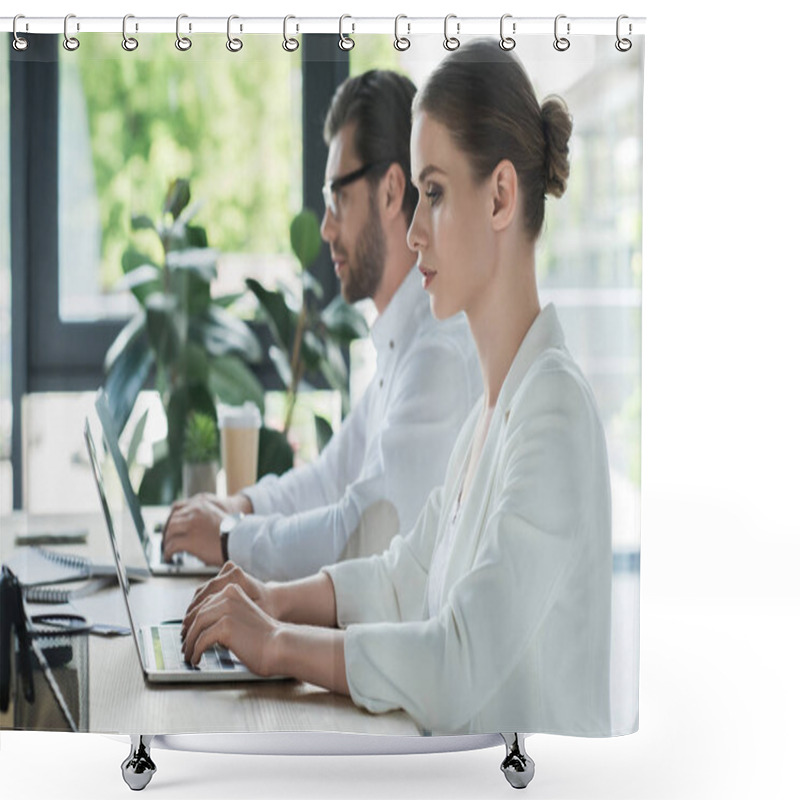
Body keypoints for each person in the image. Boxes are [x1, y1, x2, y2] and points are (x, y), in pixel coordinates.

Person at [181, 40, 613, 737]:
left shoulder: (553, 412)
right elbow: (398, 578)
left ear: (501, 195)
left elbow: (457, 661)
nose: (413, 232)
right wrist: (270, 599)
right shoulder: (491, 415)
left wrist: (279, 644)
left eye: (433, 195)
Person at [162, 70, 481, 581]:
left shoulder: (436, 353)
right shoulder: (405, 342)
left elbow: (359, 534)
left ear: (391, 191)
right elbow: (329, 478)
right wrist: (238, 506)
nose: (327, 226)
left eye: (338, 198)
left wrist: (227, 538)